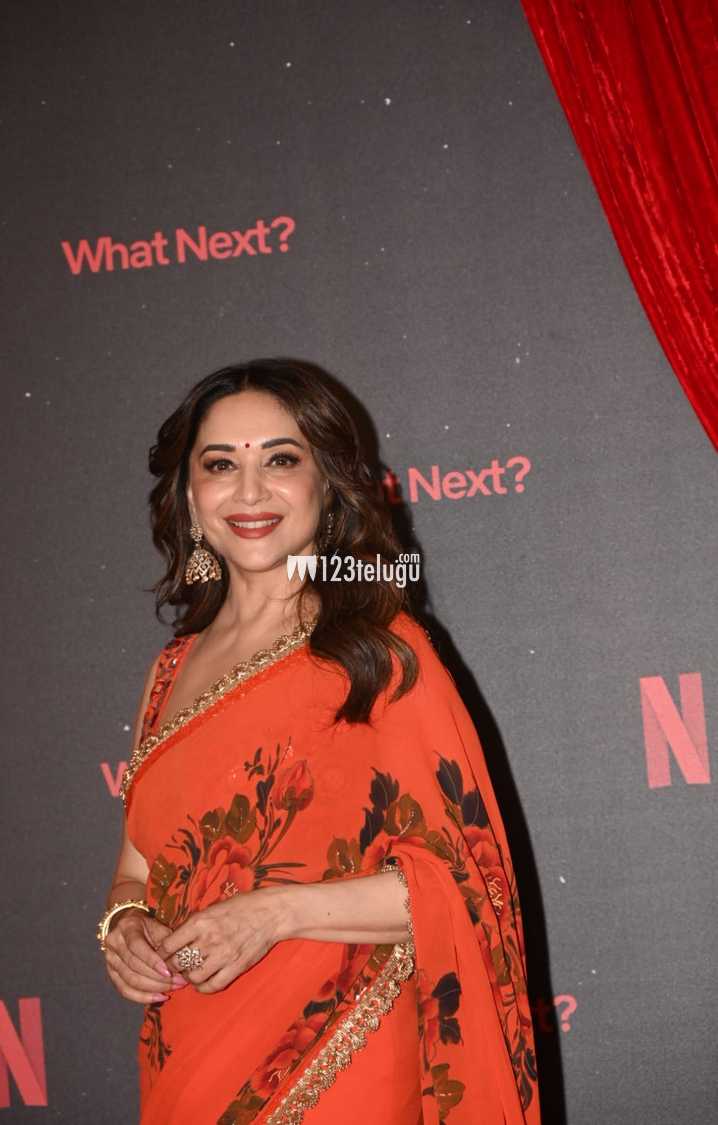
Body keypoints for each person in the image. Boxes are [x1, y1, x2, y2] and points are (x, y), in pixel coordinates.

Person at [97, 358, 540, 1125]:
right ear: (190, 497)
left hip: (343, 1058)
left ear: (325, 486)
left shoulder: (378, 654)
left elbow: (466, 884)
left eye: (280, 460)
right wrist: (125, 927)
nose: (249, 491)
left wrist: (275, 914)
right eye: (220, 465)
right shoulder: (168, 673)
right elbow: (136, 868)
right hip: (189, 1061)